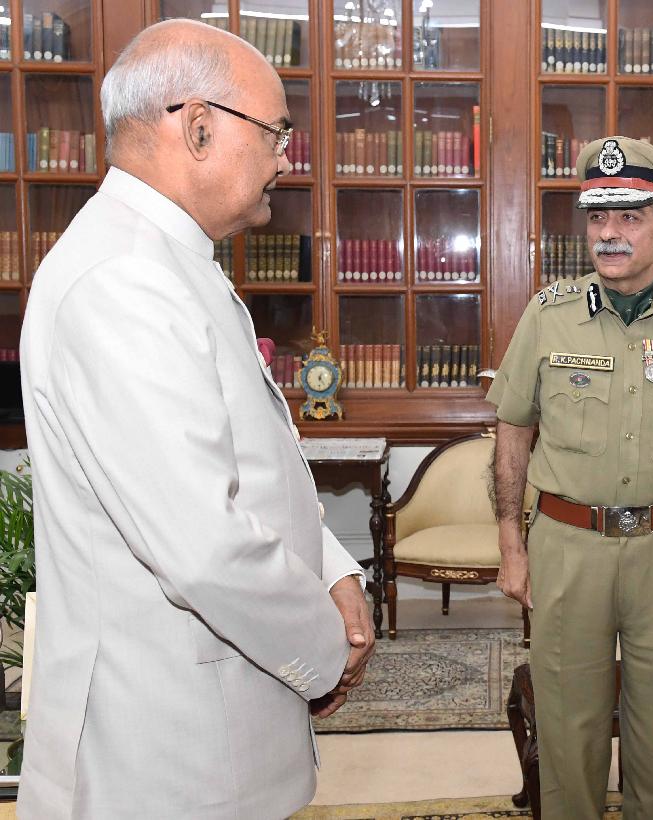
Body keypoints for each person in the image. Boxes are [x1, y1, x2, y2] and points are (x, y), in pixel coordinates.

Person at [18, 20, 375, 818]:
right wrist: (328, 651)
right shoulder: (122, 279)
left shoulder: (170, 258)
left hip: (210, 729)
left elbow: (253, 463)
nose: (286, 159)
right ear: (200, 127)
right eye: (277, 133)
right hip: (164, 756)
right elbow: (205, 545)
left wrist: (332, 570)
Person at [488, 136, 653, 820]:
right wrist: (511, 546)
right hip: (569, 546)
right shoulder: (548, 314)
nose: (609, 232)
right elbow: (512, 431)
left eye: (630, 217)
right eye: (598, 217)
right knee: (568, 729)